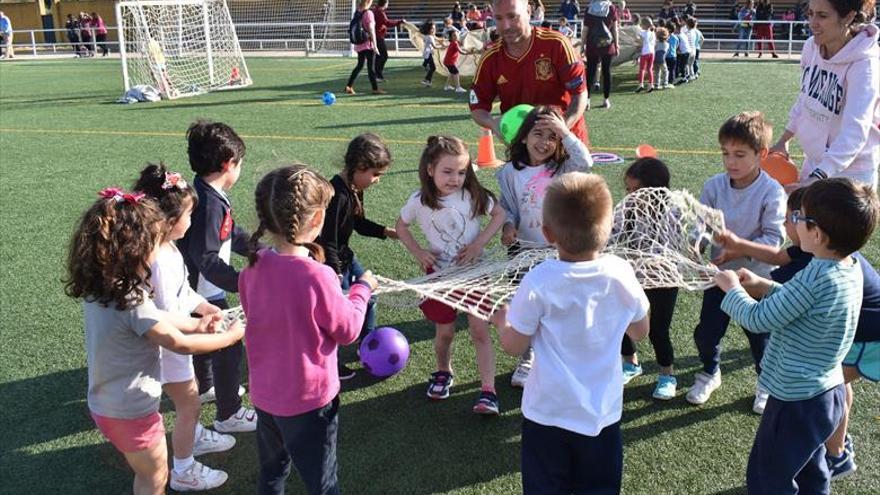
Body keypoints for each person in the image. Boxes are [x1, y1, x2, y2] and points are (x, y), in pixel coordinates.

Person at [64, 187, 244, 495]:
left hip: (106, 403)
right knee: (155, 477)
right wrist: (230, 336)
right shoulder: (130, 298)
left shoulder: (104, 288)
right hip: (131, 411)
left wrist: (199, 324)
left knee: (149, 473)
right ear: (135, 248)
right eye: (151, 241)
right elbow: (178, 343)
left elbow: (158, 319)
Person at [714, 178, 878, 494]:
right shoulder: (848, 266)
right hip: (827, 393)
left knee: (768, 475)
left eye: (799, 217)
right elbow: (802, 303)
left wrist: (732, 289)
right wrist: (762, 286)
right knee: (810, 465)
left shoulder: (816, 276)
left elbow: (758, 319)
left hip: (795, 400)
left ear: (817, 233)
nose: (793, 223)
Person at [492, 172, 650, 494]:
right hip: (602, 415)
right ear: (606, 232)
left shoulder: (539, 280)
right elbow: (641, 330)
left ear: (548, 233)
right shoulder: (620, 272)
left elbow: (512, 344)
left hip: (547, 415)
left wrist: (500, 319)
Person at [241, 165, 378, 495]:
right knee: (322, 482)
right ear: (316, 221)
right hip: (309, 403)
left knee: (272, 472)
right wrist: (362, 289)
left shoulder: (253, 267)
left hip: (265, 395)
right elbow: (348, 330)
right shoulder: (318, 276)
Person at [135, 164, 235, 491]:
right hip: (168, 346)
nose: (191, 221)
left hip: (177, 339)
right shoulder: (158, 258)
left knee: (188, 401)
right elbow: (162, 313)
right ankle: (183, 470)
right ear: (168, 219)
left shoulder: (167, 246)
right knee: (190, 403)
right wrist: (198, 325)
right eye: (188, 215)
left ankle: (191, 435)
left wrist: (202, 306)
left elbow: (183, 290)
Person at [396, 136, 506, 414]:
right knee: (444, 333)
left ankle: (488, 391)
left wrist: (479, 243)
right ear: (430, 169)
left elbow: (500, 215)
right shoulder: (419, 201)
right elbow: (401, 226)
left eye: (461, 172)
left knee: (480, 330)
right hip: (440, 277)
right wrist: (419, 252)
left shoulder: (473, 195)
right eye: (447, 171)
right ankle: (443, 371)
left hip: (474, 273)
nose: (455, 178)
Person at [687, 111, 786, 412]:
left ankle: (766, 383)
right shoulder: (715, 186)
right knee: (707, 333)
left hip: (755, 280)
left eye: (740, 154)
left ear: (762, 154)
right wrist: (696, 243)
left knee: (760, 338)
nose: (731, 161)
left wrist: (739, 251)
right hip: (718, 277)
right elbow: (701, 225)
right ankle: (709, 372)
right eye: (726, 153)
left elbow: (775, 240)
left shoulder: (772, 191)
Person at [496, 106, 593, 387]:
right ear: (523, 137)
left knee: (558, 309)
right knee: (526, 308)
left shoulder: (562, 168)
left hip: (558, 254)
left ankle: (558, 357)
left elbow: (585, 162)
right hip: (522, 254)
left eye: (553, 137)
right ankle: (528, 358)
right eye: (538, 134)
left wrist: (566, 132)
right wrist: (507, 226)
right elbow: (508, 207)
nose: (545, 142)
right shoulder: (508, 173)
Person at [178, 120, 258, 433]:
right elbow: (207, 258)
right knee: (229, 346)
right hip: (203, 292)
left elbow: (231, 234)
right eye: (239, 164)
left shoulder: (208, 193)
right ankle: (230, 414)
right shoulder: (208, 203)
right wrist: (243, 281)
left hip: (201, 290)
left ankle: (208, 386)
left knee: (206, 343)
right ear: (228, 165)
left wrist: (258, 250)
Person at [770, 0, 879, 192]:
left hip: (850, 176)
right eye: (810, 13)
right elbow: (805, 99)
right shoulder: (811, 47)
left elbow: (855, 132)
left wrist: (817, 178)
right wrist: (783, 140)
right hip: (815, 164)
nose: (812, 23)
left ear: (848, 17)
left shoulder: (865, 66)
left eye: (822, 15)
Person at [317, 133, 397, 379]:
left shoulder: (353, 188)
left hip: (345, 257)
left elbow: (359, 223)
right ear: (359, 167)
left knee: (369, 296)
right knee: (335, 315)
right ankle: (331, 362)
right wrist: (336, 274)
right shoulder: (337, 195)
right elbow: (327, 239)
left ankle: (367, 346)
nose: (376, 181)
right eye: (375, 175)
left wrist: (385, 232)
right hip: (331, 263)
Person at [470, 0, 588, 144]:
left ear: (528, 11)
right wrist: (493, 123)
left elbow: (580, 93)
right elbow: (477, 107)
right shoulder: (490, 58)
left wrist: (561, 128)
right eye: (499, 18)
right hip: (522, 147)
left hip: (566, 144)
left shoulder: (557, 44)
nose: (505, 26)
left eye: (512, 16)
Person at [618, 158, 682, 399]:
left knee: (658, 330)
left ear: (656, 188)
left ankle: (667, 375)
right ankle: (630, 362)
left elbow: (689, 242)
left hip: (665, 279)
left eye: (637, 190)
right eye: (629, 190)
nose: (631, 196)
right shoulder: (628, 209)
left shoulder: (675, 209)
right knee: (622, 319)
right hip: (635, 277)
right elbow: (612, 234)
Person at [581, 0, 620, 109]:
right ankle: (606, 99)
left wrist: (582, 45)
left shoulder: (589, 8)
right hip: (607, 44)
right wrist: (617, 45)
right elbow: (615, 29)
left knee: (590, 72)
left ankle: (587, 100)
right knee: (606, 71)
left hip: (592, 44)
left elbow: (585, 30)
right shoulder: (611, 8)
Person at [346, 0, 384, 95]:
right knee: (371, 67)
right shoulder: (368, 13)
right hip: (367, 43)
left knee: (359, 65)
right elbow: (371, 29)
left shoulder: (357, 12)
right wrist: (375, 45)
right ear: (368, 2)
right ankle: (375, 89)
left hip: (359, 44)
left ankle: (349, 86)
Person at [372, 0, 405, 82]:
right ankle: (378, 75)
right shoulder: (379, 12)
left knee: (379, 56)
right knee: (384, 56)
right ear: (385, 3)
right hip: (378, 36)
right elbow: (387, 23)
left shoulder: (376, 10)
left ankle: (378, 75)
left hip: (377, 36)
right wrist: (399, 22)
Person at [636, 17, 656, 92]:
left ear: (644, 25)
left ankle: (641, 84)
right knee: (650, 69)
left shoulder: (642, 32)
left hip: (645, 52)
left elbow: (640, 42)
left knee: (642, 69)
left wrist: (636, 40)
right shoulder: (653, 33)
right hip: (652, 52)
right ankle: (651, 84)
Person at [419, 20, 440, 86]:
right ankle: (426, 80)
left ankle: (428, 81)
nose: (433, 30)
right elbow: (435, 46)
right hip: (428, 54)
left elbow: (436, 38)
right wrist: (443, 46)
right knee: (433, 68)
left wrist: (442, 40)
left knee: (432, 67)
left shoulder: (427, 36)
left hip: (426, 54)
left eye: (434, 28)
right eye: (432, 29)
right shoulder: (430, 37)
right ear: (428, 29)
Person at [665, 20, 679, 86]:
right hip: (674, 56)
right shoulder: (676, 37)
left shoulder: (666, 37)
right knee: (672, 69)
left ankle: (666, 80)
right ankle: (671, 81)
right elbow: (677, 45)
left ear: (668, 29)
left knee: (666, 69)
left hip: (667, 56)